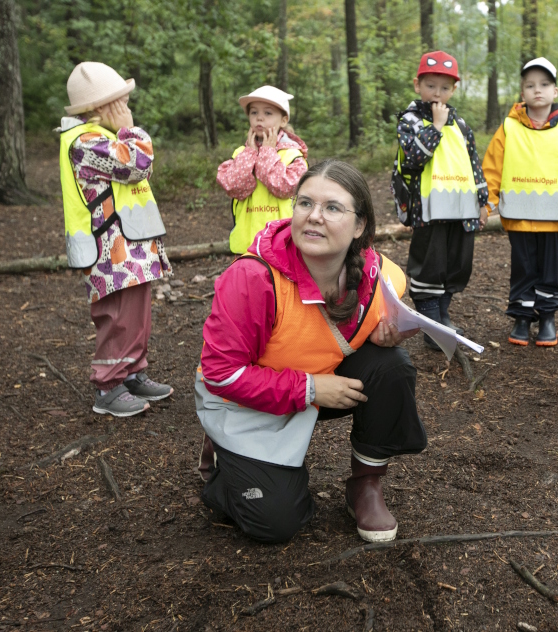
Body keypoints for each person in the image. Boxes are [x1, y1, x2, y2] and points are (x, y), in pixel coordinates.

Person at [195, 160, 427, 544]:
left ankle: (365, 483)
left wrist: (384, 337)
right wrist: (311, 389)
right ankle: (225, 460)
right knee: (277, 522)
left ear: (360, 226)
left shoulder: (378, 275)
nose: (314, 217)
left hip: (314, 382)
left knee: (391, 367)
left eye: (332, 208)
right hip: (245, 399)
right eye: (305, 203)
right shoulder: (253, 278)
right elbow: (221, 374)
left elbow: (343, 331)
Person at [57, 62, 174, 417]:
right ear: (99, 109)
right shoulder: (85, 142)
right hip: (109, 249)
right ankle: (108, 384)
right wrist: (129, 129)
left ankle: (132, 373)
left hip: (132, 245)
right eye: (121, 103)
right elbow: (138, 163)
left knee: (137, 312)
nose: (127, 109)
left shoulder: (105, 137)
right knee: (118, 314)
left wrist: (122, 130)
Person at [482, 57, 558, 346]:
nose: (538, 90)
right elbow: (492, 168)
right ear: (522, 93)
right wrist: (485, 205)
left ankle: (547, 317)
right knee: (522, 267)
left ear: (555, 91)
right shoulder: (509, 128)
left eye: (544, 84)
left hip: (554, 217)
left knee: (549, 269)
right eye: (530, 85)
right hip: (519, 216)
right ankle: (522, 318)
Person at [391, 51, 488, 350]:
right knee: (429, 265)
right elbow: (413, 160)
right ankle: (433, 323)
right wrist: (434, 127)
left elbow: (473, 163)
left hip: (461, 209)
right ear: (417, 85)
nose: (437, 93)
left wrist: (482, 200)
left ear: (454, 90)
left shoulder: (460, 123)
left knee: (458, 265)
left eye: (444, 88)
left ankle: (443, 315)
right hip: (428, 211)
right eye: (431, 85)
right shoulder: (409, 120)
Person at [217, 86, 308, 254]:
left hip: (282, 246)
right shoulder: (241, 153)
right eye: (254, 113)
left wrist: (267, 152)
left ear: (283, 120)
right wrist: (250, 154)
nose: (259, 118)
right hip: (247, 246)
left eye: (268, 113)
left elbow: (283, 187)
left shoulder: (293, 156)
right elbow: (234, 187)